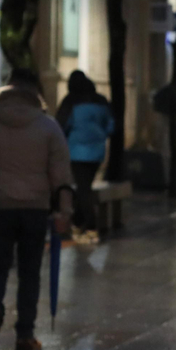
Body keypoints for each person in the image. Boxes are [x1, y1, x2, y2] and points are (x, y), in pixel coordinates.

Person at [0, 67, 74, 350]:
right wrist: (64, 212)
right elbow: (61, 175)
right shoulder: (49, 127)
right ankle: (25, 335)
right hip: (35, 210)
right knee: (29, 273)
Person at [55, 70, 112, 246]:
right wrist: (101, 135)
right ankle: (78, 224)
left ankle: (92, 229)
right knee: (83, 187)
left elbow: (61, 125)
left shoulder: (70, 102)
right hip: (96, 152)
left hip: (77, 152)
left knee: (83, 190)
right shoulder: (101, 101)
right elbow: (111, 124)